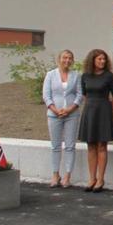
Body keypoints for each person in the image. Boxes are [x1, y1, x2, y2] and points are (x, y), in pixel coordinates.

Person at [77, 49, 113, 192]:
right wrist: (91, 107)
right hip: (90, 111)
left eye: (104, 59)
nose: (102, 61)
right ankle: (91, 178)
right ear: (92, 60)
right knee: (90, 145)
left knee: (102, 145)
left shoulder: (109, 76)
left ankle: (101, 179)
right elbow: (84, 94)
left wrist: (107, 110)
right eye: (99, 59)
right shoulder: (85, 76)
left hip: (104, 111)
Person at [42, 50, 83, 188]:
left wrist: (70, 109)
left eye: (70, 58)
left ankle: (67, 175)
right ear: (59, 59)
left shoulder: (76, 75)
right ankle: (55, 174)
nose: (67, 60)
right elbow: (46, 96)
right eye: (65, 57)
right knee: (55, 146)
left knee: (70, 146)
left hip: (72, 114)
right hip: (54, 114)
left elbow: (79, 95)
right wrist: (55, 109)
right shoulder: (50, 75)